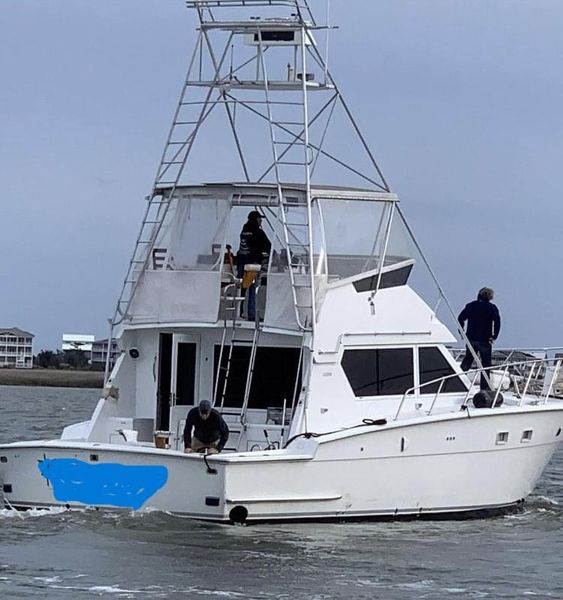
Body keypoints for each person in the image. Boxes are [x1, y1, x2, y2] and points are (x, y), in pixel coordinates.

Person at [458, 287, 501, 389]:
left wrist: (461, 331)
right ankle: (484, 387)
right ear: (490, 297)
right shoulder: (492, 308)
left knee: (468, 360)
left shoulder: (471, 306)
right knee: (485, 364)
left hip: (471, 338)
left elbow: (460, 318)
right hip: (485, 340)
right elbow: (497, 323)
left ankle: (458, 381)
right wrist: (494, 336)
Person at [236, 210, 271, 320]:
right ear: (256, 219)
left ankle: (240, 312)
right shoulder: (257, 232)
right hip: (252, 265)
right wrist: (271, 255)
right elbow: (267, 245)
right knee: (252, 288)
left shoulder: (244, 230)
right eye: (260, 219)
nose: (261, 221)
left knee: (241, 288)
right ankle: (251, 314)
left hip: (241, 262)